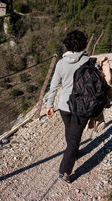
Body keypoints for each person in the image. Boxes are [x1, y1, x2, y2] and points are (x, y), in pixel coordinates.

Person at [46, 30, 92, 183]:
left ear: (67, 44)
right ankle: (64, 171)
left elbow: (53, 86)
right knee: (73, 138)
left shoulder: (60, 63)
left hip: (64, 106)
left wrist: (49, 105)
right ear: (83, 43)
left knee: (70, 134)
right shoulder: (89, 62)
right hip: (82, 106)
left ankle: (72, 153)